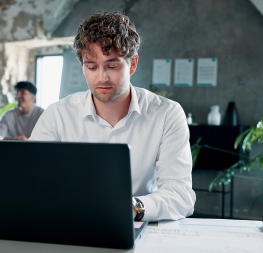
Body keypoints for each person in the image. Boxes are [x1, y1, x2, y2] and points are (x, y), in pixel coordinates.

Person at [29, 12, 196, 221]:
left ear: (132, 64)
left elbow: (180, 194)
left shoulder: (167, 114)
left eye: (113, 65)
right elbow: (32, 181)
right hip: (71, 223)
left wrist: (134, 207)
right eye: (91, 66)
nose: (102, 77)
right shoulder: (58, 114)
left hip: (137, 226)